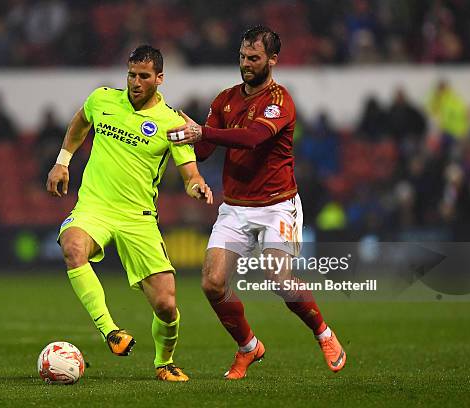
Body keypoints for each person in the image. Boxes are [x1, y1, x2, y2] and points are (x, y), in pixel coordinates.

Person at [167, 25, 346, 379]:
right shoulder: (225, 99)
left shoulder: (281, 101)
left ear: (272, 60)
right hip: (235, 206)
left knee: (278, 276)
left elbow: (251, 138)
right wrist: (180, 132)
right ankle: (249, 347)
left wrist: (204, 132)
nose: (246, 64)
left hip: (278, 204)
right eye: (242, 57)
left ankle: (324, 334)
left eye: (254, 58)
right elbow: (204, 152)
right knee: (211, 283)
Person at [46, 45, 213, 382]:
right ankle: (110, 332)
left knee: (166, 306)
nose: (135, 82)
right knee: (73, 247)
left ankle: (164, 363)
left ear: (160, 78)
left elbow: (190, 171)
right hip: (95, 207)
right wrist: (62, 161)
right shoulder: (102, 99)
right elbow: (80, 122)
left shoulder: (172, 122)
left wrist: (196, 185)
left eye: (144, 76)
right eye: (131, 75)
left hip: (138, 217)